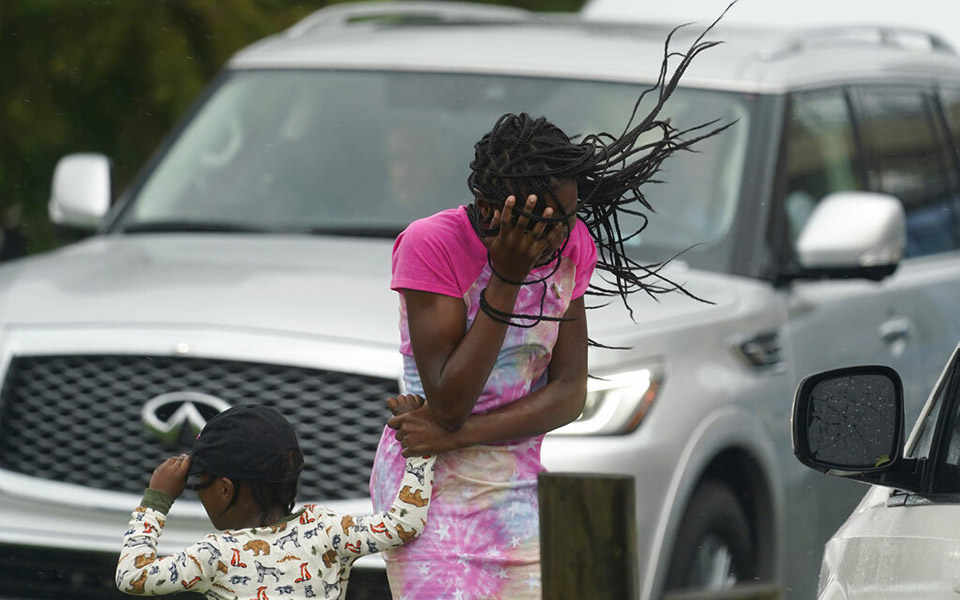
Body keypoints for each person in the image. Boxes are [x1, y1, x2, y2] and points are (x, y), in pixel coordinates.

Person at [368, 16, 735, 600]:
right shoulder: (431, 245)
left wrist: (457, 438)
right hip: (428, 498)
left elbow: (568, 393)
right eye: (551, 218)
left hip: (514, 495)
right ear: (495, 208)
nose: (567, 234)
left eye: (571, 215)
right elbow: (449, 399)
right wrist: (507, 280)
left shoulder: (572, 248)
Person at [116, 397, 434, 600]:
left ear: (225, 489)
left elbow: (132, 577)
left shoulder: (215, 555)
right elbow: (405, 524)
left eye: (198, 482)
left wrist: (156, 502)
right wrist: (420, 447)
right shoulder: (327, 531)